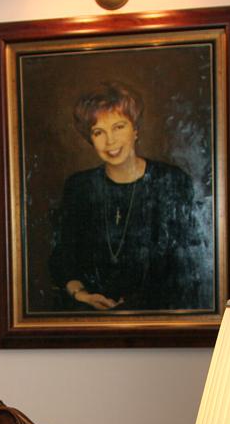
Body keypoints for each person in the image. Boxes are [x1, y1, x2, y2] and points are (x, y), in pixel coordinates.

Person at [49, 81, 209, 312]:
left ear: (135, 130)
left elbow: (189, 266)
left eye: (118, 127)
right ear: (89, 138)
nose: (110, 141)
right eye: (98, 132)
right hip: (92, 320)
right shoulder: (79, 187)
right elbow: (62, 257)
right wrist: (82, 295)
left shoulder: (172, 181)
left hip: (160, 321)